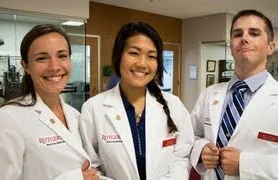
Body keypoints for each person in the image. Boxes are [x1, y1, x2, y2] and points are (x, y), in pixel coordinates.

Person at [190, 10, 278, 180]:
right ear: (231, 48)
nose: (244, 38)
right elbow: (190, 137)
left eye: (254, 33)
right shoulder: (209, 94)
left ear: (270, 47)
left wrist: (247, 165)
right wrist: (201, 150)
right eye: (237, 34)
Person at [79, 22, 194, 180]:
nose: (142, 63)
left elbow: (181, 157)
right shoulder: (93, 109)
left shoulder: (174, 106)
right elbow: (92, 166)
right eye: (134, 53)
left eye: (151, 56)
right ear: (119, 56)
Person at [0, 24, 98, 180]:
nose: (54, 66)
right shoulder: (7, 119)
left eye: (62, 56)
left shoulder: (75, 115)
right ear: (26, 67)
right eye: (42, 58)